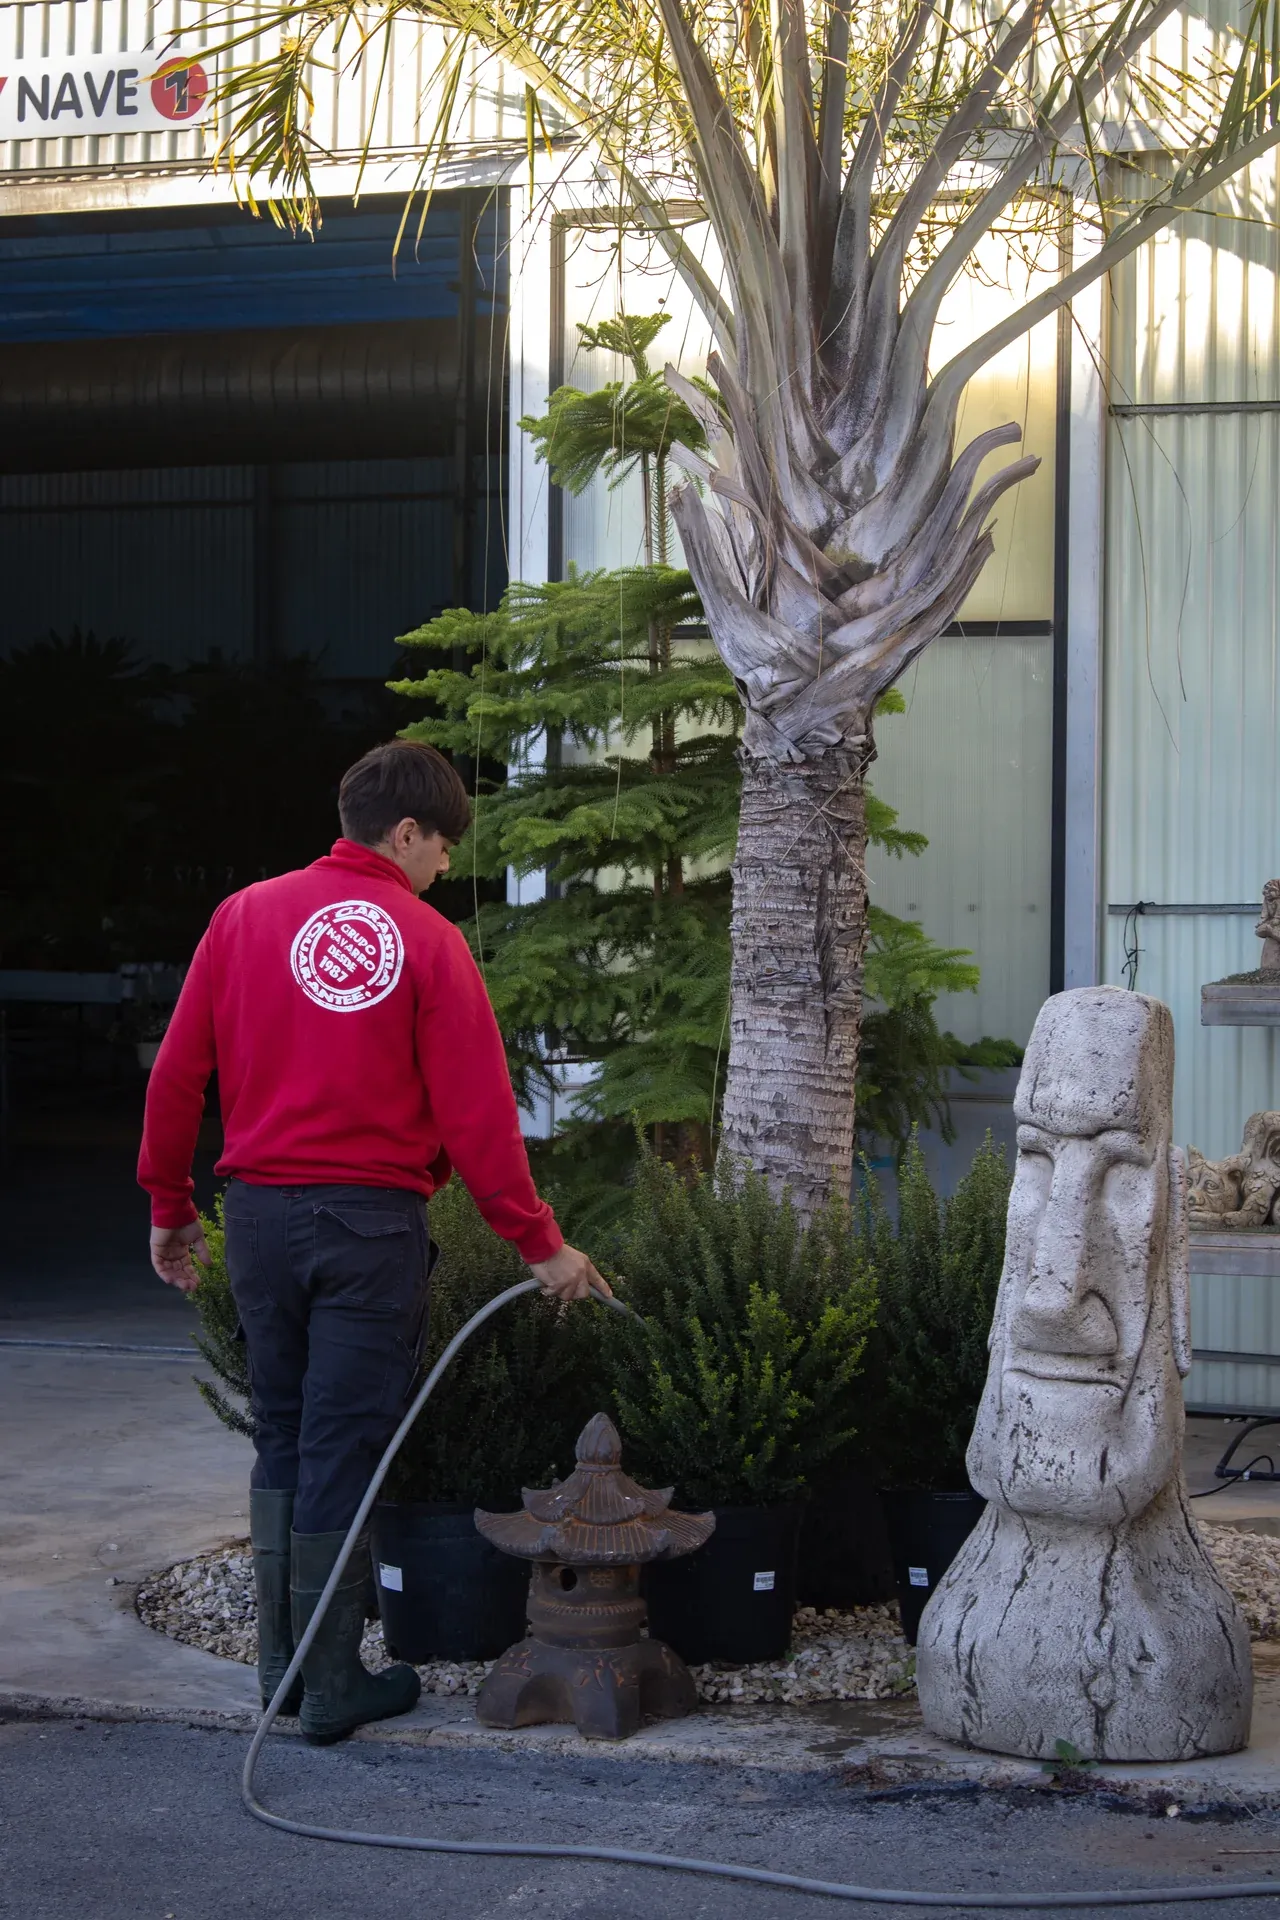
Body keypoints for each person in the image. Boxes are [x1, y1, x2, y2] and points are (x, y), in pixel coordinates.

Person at [138, 739, 608, 1744]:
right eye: (442, 846)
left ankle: (282, 1674)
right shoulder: (429, 943)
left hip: (259, 1219)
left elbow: (178, 1074)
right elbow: (477, 1114)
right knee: (344, 1442)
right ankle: (331, 1687)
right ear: (405, 833)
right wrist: (539, 1244)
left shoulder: (243, 916)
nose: (447, 866)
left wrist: (169, 1206)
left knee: (282, 1430)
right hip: (366, 1224)